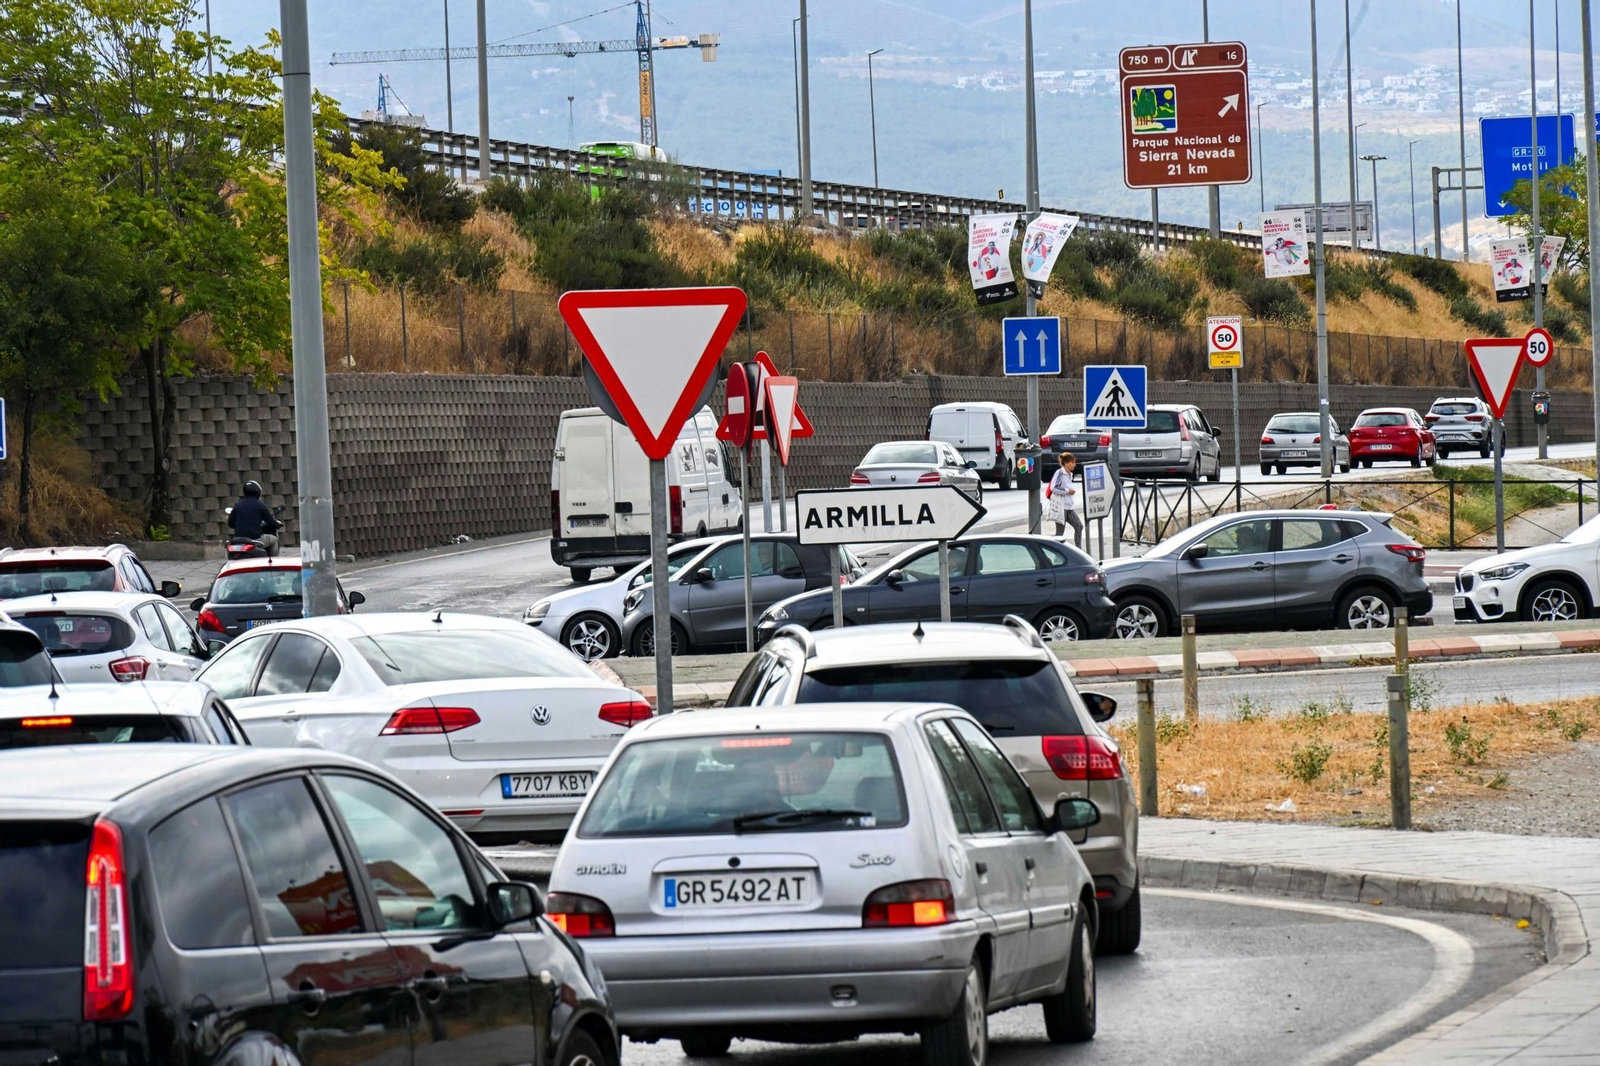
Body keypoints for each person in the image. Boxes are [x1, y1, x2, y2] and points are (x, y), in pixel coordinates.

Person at [229, 480, 281, 557]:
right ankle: (272, 562)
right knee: (274, 539)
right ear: (258, 492)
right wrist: (278, 525)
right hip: (255, 538)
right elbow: (271, 522)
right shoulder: (260, 505)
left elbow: (230, 523)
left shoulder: (237, 505)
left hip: (239, 539)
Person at [1045, 452, 1084, 548]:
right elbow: (1054, 488)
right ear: (1066, 463)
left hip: (1069, 507)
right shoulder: (1060, 473)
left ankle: (1078, 550)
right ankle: (1056, 553)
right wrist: (1067, 491)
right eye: (1072, 462)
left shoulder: (1069, 474)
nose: (1074, 465)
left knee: (1079, 526)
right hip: (1061, 507)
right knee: (1059, 533)